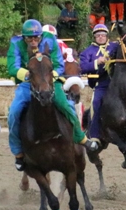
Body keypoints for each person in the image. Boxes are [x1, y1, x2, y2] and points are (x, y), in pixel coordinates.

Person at [7, 19, 98, 171]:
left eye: (37, 37)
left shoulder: (50, 39)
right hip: (28, 82)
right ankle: (18, 153)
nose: (34, 41)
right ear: (24, 37)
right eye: (30, 38)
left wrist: (49, 78)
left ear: (41, 36)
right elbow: (12, 67)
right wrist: (30, 75)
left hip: (50, 82)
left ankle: (81, 138)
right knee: (14, 113)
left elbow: (58, 64)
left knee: (66, 105)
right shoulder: (16, 44)